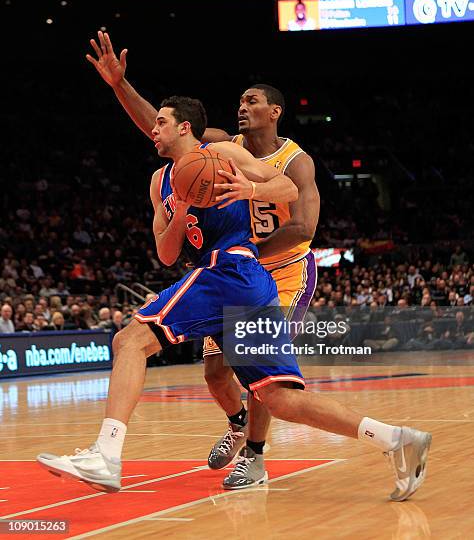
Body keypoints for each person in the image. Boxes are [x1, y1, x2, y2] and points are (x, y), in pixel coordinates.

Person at [37, 98, 431, 503]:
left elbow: (289, 187)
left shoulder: (222, 153)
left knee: (130, 341)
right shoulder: (159, 182)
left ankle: (106, 454)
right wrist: (184, 205)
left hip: (229, 269)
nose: (153, 131)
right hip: (235, 282)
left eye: (160, 123)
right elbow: (168, 254)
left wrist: (252, 188)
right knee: (278, 397)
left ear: (185, 127)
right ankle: (397, 439)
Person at [86, 31, 321, 488]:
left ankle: (254, 456)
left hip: (284, 267)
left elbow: (303, 228)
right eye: (239, 100)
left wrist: (243, 254)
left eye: (251, 100)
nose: (241, 106)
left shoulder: (296, 161)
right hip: (236, 269)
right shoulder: (220, 147)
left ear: (274, 111)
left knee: (262, 373)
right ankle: (236, 423)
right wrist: (120, 85)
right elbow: (168, 130)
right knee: (215, 372)